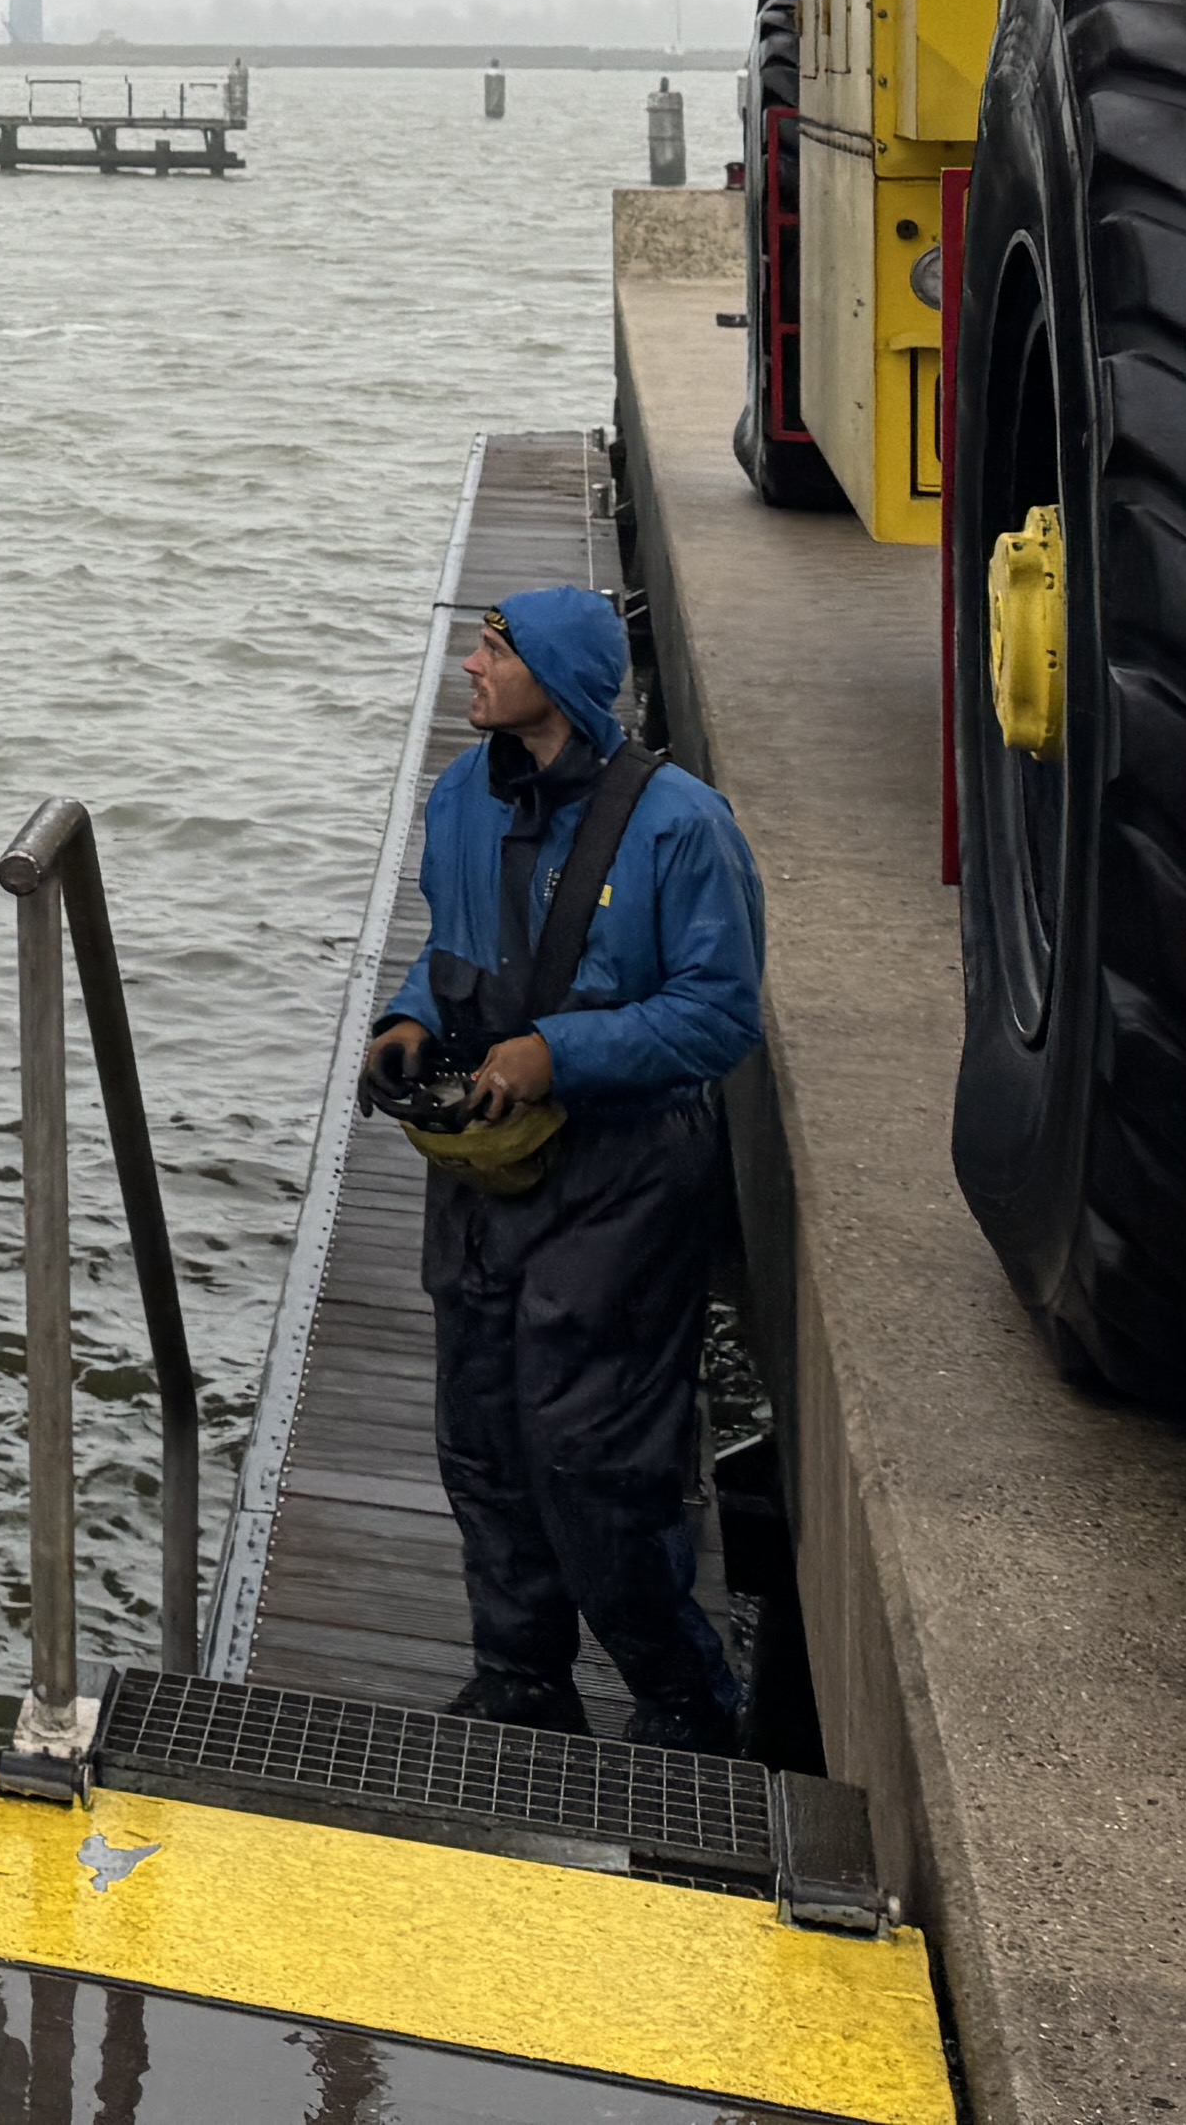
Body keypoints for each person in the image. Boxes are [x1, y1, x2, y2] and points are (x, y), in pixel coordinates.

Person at [366, 582, 764, 1752]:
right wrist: (408, 1022)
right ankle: (521, 1680)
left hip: (625, 1178)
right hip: (485, 1175)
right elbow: (450, 951)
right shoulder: (461, 795)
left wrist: (559, 1055)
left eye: (496, 649)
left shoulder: (684, 827)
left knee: (597, 1456)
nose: (473, 665)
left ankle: (685, 1705)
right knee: (481, 1439)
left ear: (561, 680)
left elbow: (719, 1016)